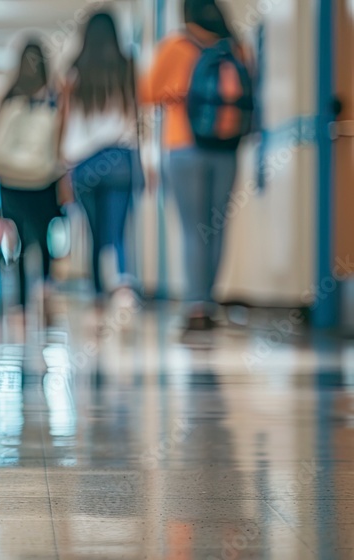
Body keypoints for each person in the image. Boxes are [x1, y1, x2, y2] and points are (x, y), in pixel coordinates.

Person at [140, 0, 251, 334]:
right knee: (217, 226)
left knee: (193, 228)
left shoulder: (175, 45)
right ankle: (210, 302)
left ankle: (196, 306)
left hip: (183, 145)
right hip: (226, 146)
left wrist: (177, 94)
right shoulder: (237, 47)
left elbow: (147, 93)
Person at [60, 11, 142, 311]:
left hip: (84, 163)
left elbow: (68, 123)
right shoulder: (127, 67)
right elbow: (135, 120)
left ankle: (97, 292)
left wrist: (65, 167)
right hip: (120, 157)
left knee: (94, 231)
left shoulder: (74, 71)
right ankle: (121, 285)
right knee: (118, 229)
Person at [0, 41, 65, 309]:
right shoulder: (55, 98)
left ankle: (21, 302)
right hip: (42, 179)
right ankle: (45, 289)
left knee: (17, 239)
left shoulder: (9, 97)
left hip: (11, 181)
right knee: (44, 237)